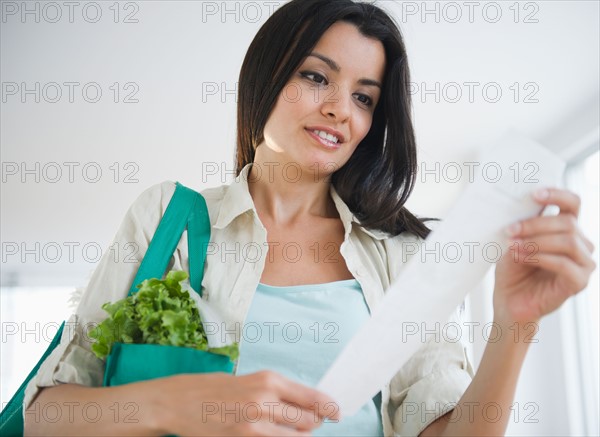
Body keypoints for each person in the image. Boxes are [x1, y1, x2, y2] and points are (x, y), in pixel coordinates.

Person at [23, 0, 596, 436]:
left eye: (365, 97)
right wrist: (180, 403)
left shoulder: (400, 253)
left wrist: (513, 325)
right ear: (266, 78)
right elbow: (43, 414)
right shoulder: (168, 218)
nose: (339, 109)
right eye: (317, 76)